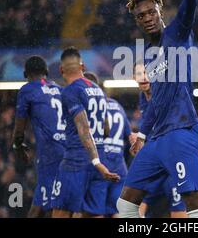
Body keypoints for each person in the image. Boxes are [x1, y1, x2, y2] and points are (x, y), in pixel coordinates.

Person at [117, 0, 198, 218]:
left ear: (160, 11)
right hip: (156, 138)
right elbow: (155, 100)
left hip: (181, 131)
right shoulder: (146, 55)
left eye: (150, 12)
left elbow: (190, 5)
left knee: (194, 201)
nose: (146, 17)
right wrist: (142, 133)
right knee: (125, 205)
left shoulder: (177, 34)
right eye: (140, 15)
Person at [51, 47, 120, 218]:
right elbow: (106, 129)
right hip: (100, 158)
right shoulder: (98, 90)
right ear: (82, 66)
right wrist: (97, 161)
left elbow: (83, 128)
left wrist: (94, 160)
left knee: (61, 211)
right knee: (94, 214)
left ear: (61, 70)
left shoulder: (70, 91)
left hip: (77, 159)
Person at [12, 56, 66, 218]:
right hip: (69, 151)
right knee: (59, 203)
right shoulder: (60, 89)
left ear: (26, 74)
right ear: (46, 72)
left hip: (49, 153)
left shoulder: (28, 89)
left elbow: (19, 128)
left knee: (43, 206)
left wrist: (17, 146)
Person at [133, 62, 187, 218]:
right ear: (133, 77)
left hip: (172, 162)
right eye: (139, 73)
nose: (143, 77)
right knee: (135, 206)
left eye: (146, 73)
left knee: (178, 211)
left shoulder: (164, 94)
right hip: (155, 164)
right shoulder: (142, 98)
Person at [80, 71, 135, 217]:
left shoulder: (91, 107)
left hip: (101, 165)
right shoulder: (117, 106)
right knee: (116, 212)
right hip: (120, 167)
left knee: (95, 211)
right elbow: (130, 136)